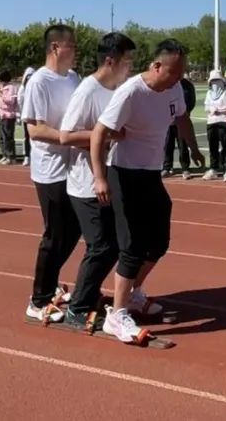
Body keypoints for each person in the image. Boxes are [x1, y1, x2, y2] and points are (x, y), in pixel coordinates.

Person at [90, 39, 204, 342]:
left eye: (181, 74)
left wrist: (192, 147)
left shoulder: (175, 88)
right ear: (156, 66)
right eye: (174, 73)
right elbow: (99, 133)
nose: (178, 79)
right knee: (132, 245)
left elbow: (181, 117)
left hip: (151, 174)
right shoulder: (131, 91)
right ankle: (116, 316)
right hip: (123, 174)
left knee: (159, 242)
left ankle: (134, 293)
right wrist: (99, 178)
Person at [57, 32, 137, 329]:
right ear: (110, 60)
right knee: (101, 246)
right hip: (85, 182)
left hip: (108, 178)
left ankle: (87, 296)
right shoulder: (88, 91)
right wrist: (106, 135)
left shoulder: (116, 89)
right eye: (127, 60)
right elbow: (66, 135)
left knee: (114, 245)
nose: (130, 66)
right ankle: (77, 308)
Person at [23, 25, 82, 323]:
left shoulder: (73, 78)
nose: (76, 51)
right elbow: (34, 128)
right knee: (54, 234)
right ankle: (38, 299)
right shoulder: (38, 82)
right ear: (56, 47)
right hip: (49, 171)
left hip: (73, 167)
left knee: (74, 231)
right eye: (72, 46)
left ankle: (51, 284)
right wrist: (68, 138)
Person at [202, 70, 226, 181]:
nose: (215, 83)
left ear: (221, 81)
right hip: (211, 122)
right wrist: (211, 109)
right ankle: (213, 168)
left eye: (217, 80)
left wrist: (219, 110)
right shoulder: (209, 93)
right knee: (213, 147)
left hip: (224, 122)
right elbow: (206, 107)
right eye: (213, 81)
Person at [162, 76, 197, 178]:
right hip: (168, 120)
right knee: (167, 144)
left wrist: (186, 112)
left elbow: (192, 101)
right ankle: (167, 167)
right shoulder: (167, 83)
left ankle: (185, 168)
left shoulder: (187, 85)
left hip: (182, 120)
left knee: (183, 144)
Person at [0, 70, 20, 164]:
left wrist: (1, 93)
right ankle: (4, 155)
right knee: (1, 137)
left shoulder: (11, 88)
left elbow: (11, 101)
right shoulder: (1, 87)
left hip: (8, 115)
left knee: (8, 137)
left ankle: (11, 156)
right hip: (0, 114)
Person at [18, 66, 36, 166]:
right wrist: (20, 115)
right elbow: (20, 102)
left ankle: (34, 156)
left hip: (36, 117)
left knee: (36, 137)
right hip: (26, 116)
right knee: (27, 136)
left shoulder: (37, 87)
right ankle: (27, 156)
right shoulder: (22, 89)